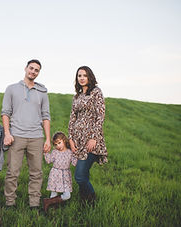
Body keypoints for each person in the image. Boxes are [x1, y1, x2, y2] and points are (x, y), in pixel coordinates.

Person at [1, 59, 51, 209]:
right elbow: (5, 113)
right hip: (16, 136)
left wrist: (48, 139)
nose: (33, 72)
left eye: (36, 70)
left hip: (36, 137)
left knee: (36, 173)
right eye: (31, 68)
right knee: (12, 172)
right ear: (25, 68)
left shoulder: (42, 92)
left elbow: (46, 116)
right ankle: (10, 203)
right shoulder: (11, 89)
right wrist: (7, 133)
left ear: (38, 73)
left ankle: (34, 204)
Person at [68, 66, 108, 206]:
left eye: (85, 75)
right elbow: (72, 118)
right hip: (77, 140)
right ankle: (84, 203)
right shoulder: (77, 96)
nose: (82, 78)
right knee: (83, 174)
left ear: (90, 77)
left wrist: (94, 138)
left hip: (90, 140)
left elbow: (100, 116)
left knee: (79, 176)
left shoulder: (96, 92)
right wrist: (71, 139)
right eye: (79, 75)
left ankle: (93, 201)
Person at [43, 131, 78, 213]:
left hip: (65, 175)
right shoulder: (55, 152)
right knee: (54, 194)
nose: (58, 146)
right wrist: (45, 153)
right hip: (55, 174)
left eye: (59, 143)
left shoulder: (69, 152)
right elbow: (49, 161)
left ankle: (48, 201)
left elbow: (74, 163)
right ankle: (52, 209)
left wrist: (77, 154)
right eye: (55, 144)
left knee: (67, 195)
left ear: (64, 141)